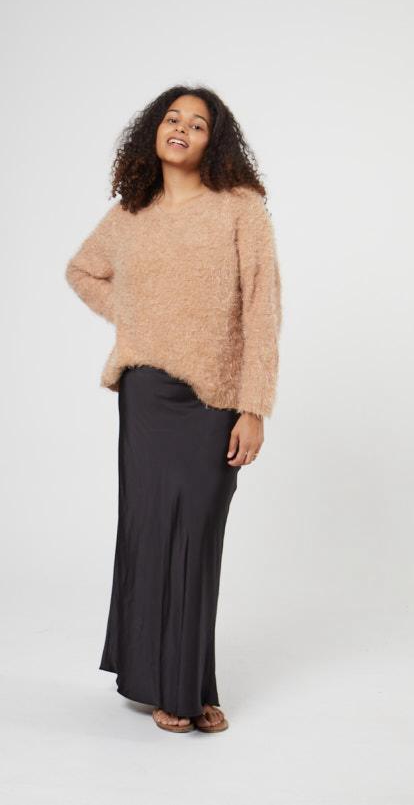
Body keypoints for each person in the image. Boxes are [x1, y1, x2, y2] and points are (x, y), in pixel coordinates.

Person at [65, 85, 282, 734]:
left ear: (215, 141)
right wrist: (137, 321)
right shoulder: (131, 213)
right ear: (153, 132)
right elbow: (83, 271)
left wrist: (254, 405)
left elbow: (262, 308)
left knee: (197, 535)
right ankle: (165, 686)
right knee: (150, 530)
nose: (182, 127)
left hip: (214, 397)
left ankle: (187, 683)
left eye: (198, 123)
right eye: (172, 117)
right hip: (147, 395)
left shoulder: (241, 207)